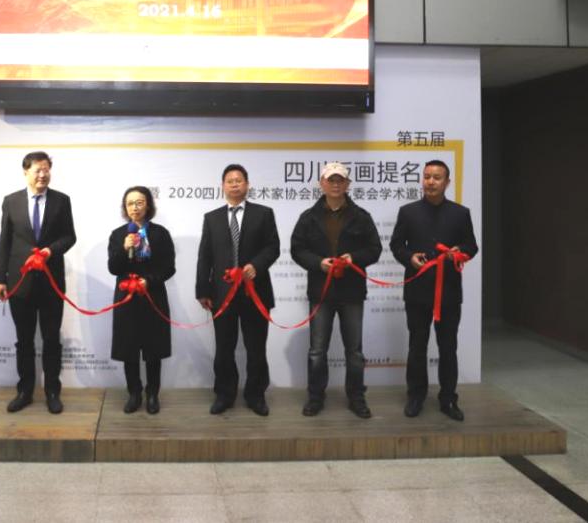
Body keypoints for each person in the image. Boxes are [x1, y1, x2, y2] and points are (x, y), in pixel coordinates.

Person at [290, 161, 382, 418]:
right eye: (331, 180)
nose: (335, 184)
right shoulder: (308, 217)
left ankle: (356, 397)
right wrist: (319, 263)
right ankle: (315, 397)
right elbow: (297, 249)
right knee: (317, 351)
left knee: (355, 351)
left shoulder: (361, 216)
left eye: (340, 180)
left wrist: (354, 258)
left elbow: (374, 249)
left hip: (352, 293)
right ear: (322, 183)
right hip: (321, 292)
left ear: (347, 184)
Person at [390, 159, 479, 421]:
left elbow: (472, 246)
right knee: (417, 346)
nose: (430, 182)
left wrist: (459, 252)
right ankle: (416, 396)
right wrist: (410, 258)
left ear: (447, 182)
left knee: (448, 347)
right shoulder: (408, 212)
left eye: (437, 177)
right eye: (427, 176)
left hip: (449, 292)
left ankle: (448, 399)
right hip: (417, 290)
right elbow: (396, 245)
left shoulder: (460, 213)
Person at [0, 151, 77, 414]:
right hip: (20, 282)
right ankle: (25, 391)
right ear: (26, 172)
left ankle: (53, 391)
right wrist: (0, 279)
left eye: (46, 170)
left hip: (51, 282)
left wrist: (50, 250)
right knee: (24, 340)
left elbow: (69, 237)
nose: (43, 175)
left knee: (52, 340)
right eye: (37, 170)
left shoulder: (61, 200)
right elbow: (5, 242)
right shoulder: (11, 201)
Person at [195, 164, 280, 416]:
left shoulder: (263, 214)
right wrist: (202, 290)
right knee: (224, 349)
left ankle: (256, 395)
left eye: (239, 180)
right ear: (223, 186)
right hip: (221, 295)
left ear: (247, 184)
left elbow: (273, 247)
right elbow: (205, 256)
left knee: (256, 348)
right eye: (230, 180)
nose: (234, 184)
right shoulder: (211, 218)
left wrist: (257, 265)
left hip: (255, 291)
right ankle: (224, 394)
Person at [107, 186, 176, 415]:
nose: (134, 207)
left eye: (139, 202)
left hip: (152, 296)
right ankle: (134, 393)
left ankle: (152, 394)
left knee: (153, 348)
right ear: (125, 208)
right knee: (129, 348)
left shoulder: (160, 234)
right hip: (126, 298)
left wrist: (150, 281)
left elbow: (169, 267)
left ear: (148, 205)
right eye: (130, 203)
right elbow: (113, 268)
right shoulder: (118, 234)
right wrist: (124, 248)